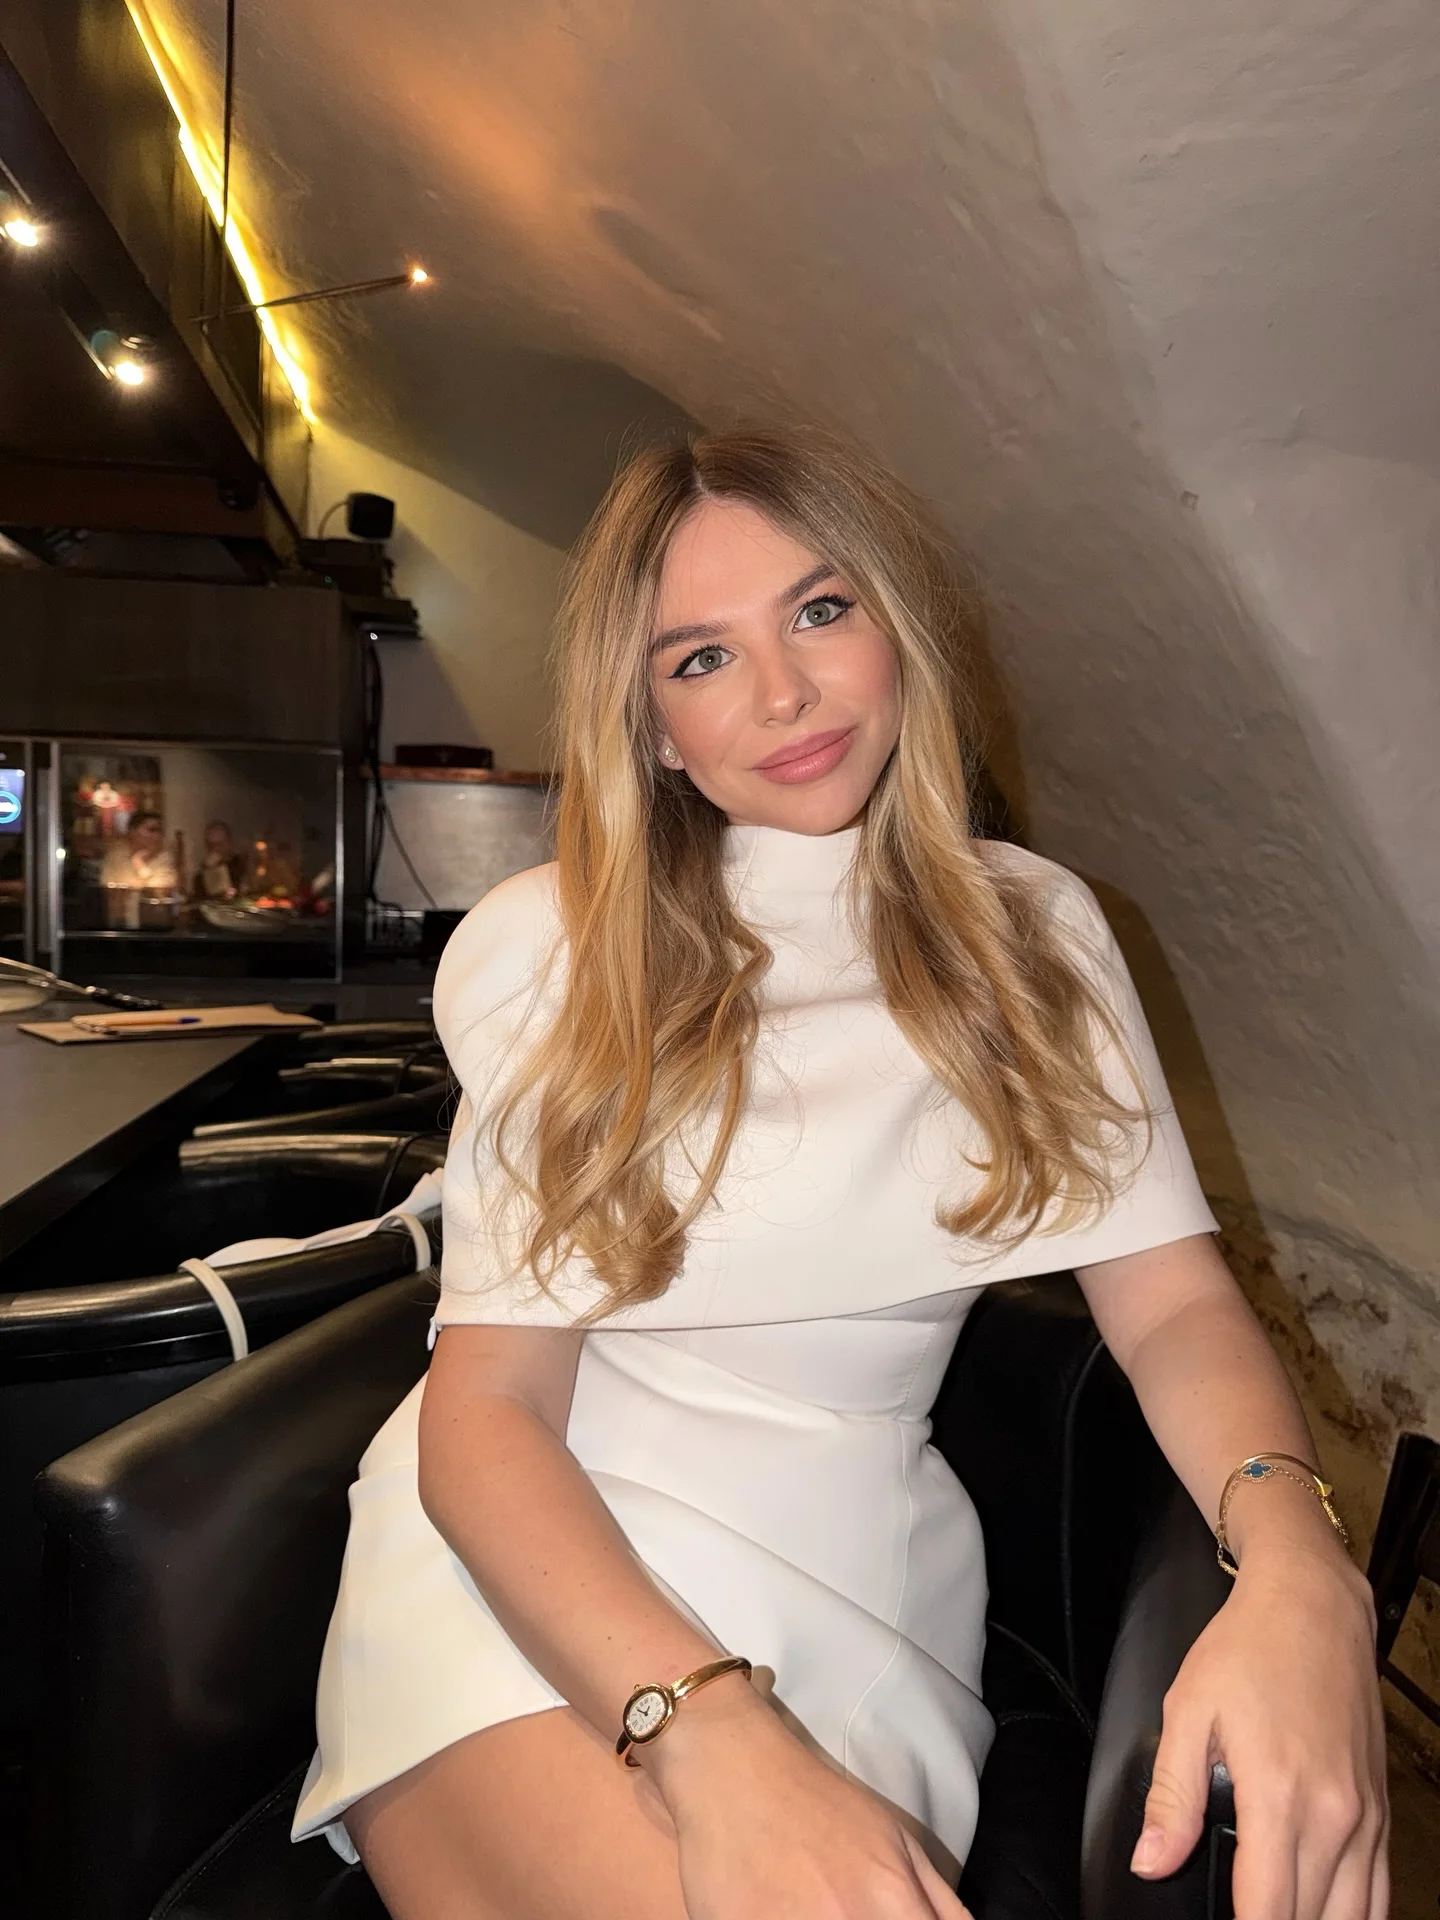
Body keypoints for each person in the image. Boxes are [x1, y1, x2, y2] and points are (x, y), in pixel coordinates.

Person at [291, 427, 1388, 1920]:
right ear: (652, 727)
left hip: (860, 1572)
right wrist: (703, 1728)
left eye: (819, 611)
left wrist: (1300, 1565)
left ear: (898, 628)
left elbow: (1174, 1306)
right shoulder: (552, 947)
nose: (785, 694)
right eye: (702, 658)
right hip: (529, 1552)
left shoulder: (1036, 934)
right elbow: (486, 1415)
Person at [99, 810, 178, 892]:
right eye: (151, 830)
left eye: (160, 831)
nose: (157, 836)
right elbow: (108, 889)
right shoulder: (116, 857)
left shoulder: (164, 858)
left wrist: (139, 863)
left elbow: (156, 893)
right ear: (132, 831)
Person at [193, 820, 247, 901]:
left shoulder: (239, 865)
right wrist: (208, 869)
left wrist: (214, 868)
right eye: (211, 845)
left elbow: (230, 894)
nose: (216, 849)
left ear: (229, 842)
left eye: (220, 844)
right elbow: (200, 898)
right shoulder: (201, 875)